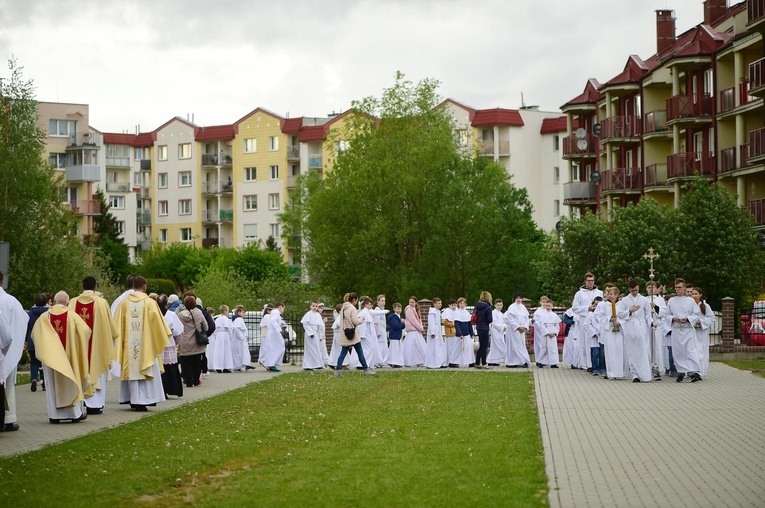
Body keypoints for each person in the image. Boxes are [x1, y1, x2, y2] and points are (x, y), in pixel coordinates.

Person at [31, 291, 92, 423]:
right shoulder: (72, 316)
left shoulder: (44, 317)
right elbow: (86, 332)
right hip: (69, 357)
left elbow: (35, 335)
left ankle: (55, 416)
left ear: (54, 301)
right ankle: (74, 414)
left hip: (50, 358)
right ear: (67, 303)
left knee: (52, 385)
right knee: (72, 379)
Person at [113, 276, 172, 411]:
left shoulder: (124, 303)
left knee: (132, 369)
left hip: (129, 347)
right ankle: (144, 400)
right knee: (145, 368)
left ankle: (133, 399)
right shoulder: (150, 303)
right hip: (146, 348)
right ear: (144, 287)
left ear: (133, 286)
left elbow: (116, 325)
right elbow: (159, 326)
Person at [69, 276, 118, 414]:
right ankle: (95, 405)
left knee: (80, 370)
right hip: (97, 349)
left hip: (78, 348)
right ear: (95, 287)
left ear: (82, 286)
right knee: (96, 370)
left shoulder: (73, 303)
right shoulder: (102, 303)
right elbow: (111, 329)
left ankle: (80, 401)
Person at [0, 270, 30, 431]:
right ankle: (8, 418)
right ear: (2, 282)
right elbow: (23, 320)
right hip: (5, 350)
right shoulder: (11, 301)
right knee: (8, 386)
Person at [661, 279, 702, 383]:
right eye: (676, 287)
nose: (678, 289)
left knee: (690, 351)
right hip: (676, 329)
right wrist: (673, 318)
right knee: (678, 352)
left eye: (680, 287)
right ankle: (681, 372)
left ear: (684, 288)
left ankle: (693, 372)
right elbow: (666, 315)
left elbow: (696, 314)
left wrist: (688, 319)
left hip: (687, 329)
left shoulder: (690, 300)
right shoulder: (671, 301)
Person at [616, 280, 653, 383]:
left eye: (636, 290)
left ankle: (645, 373)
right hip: (630, 326)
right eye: (633, 291)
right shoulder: (625, 300)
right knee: (632, 351)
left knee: (644, 350)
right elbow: (620, 315)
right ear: (629, 289)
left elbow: (648, 315)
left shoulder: (644, 300)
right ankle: (635, 374)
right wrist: (629, 311)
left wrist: (652, 322)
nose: (635, 292)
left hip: (641, 326)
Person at [335, 293, 375, 377]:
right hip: (353, 333)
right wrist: (361, 319)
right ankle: (366, 369)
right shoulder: (352, 308)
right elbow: (355, 321)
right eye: (356, 300)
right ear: (354, 300)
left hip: (345, 333)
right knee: (360, 352)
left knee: (343, 353)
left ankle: (338, 371)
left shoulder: (343, 308)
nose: (357, 302)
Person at [571, 273, 603, 371]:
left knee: (598, 342)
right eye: (588, 280)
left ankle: (597, 365)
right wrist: (587, 308)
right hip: (585, 318)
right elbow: (575, 308)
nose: (590, 282)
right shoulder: (579, 293)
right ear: (585, 281)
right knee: (585, 342)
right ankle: (587, 364)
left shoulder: (600, 293)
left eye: (592, 280)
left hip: (597, 320)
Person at [595, 285, 628, 379]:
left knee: (621, 351)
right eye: (608, 294)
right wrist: (610, 319)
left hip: (620, 331)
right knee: (611, 351)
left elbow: (626, 316)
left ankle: (621, 373)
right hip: (609, 330)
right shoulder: (604, 305)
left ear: (616, 295)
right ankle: (612, 373)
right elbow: (599, 317)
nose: (609, 296)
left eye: (611, 294)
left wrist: (620, 322)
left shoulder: (622, 305)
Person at [177, 295, 209, 387]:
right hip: (196, 342)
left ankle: (188, 381)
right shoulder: (199, 313)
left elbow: (178, 328)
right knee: (197, 362)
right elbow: (205, 327)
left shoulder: (180, 315)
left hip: (184, 342)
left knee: (186, 363)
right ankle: (196, 380)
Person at [157, 294, 183, 398]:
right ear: (167, 303)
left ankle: (160, 391)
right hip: (168, 343)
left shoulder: (153, 314)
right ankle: (170, 389)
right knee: (169, 368)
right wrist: (177, 342)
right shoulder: (171, 315)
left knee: (159, 369)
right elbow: (178, 331)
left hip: (156, 345)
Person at [26, 293, 49, 392]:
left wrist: (26, 340)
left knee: (34, 362)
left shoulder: (30, 314)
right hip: (45, 340)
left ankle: (34, 378)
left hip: (32, 339)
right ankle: (44, 384)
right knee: (45, 362)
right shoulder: (48, 313)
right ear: (46, 302)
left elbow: (27, 327)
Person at [691, 287, 715, 379]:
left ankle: (701, 372)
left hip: (701, 332)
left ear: (700, 295)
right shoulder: (690, 305)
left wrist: (701, 322)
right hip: (692, 332)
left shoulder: (705, 306)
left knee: (702, 351)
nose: (694, 296)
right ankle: (694, 371)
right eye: (693, 294)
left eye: (696, 294)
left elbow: (711, 318)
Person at [504, 292, 531, 368]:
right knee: (515, 345)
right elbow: (510, 319)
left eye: (520, 298)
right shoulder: (511, 307)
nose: (519, 300)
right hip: (515, 330)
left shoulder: (523, 307)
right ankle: (513, 362)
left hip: (522, 330)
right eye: (517, 298)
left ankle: (522, 361)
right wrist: (518, 327)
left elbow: (526, 318)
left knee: (521, 345)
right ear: (515, 299)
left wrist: (525, 327)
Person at [534, 298, 561, 368]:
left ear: (552, 306)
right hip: (546, 333)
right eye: (546, 306)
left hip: (552, 332)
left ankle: (554, 363)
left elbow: (557, 325)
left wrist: (555, 332)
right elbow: (542, 325)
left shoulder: (554, 315)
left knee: (553, 348)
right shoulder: (543, 315)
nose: (548, 307)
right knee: (544, 348)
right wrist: (547, 333)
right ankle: (539, 361)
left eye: (549, 306)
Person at [263, 302, 287, 372]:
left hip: (273, 331)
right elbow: (273, 321)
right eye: (283, 308)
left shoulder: (275, 313)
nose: (283, 310)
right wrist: (279, 329)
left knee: (275, 348)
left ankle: (272, 363)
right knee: (278, 347)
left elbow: (275, 321)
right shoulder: (276, 312)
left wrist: (282, 325)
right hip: (274, 332)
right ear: (280, 307)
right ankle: (272, 364)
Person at [402, 296, 426, 367]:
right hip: (412, 330)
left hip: (416, 330)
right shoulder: (409, 310)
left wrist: (420, 327)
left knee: (419, 346)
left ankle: (420, 360)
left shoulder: (415, 309)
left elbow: (419, 320)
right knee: (411, 346)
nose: (411, 303)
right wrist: (420, 328)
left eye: (412, 302)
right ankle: (409, 361)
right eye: (410, 302)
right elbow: (413, 321)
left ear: (416, 303)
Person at [301, 301, 325, 370]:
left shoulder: (318, 315)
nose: (315, 308)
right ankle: (309, 365)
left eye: (316, 306)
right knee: (311, 349)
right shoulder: (308, 314)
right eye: (313, 306)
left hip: (316, 333)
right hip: (311, 333)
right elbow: (305, 323)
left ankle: (317, 364)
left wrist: (320, 335)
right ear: (310, 306)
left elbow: (320, 326)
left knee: (317, 348)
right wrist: (310, 332)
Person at [209, 305, 234, 373]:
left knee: (218, 351)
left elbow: (215, 328)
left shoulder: (218, 319)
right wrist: (231, 337)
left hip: (218, 335)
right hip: (225, 335)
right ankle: (226, 367)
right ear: (225, 311)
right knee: (226, 351)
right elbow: (230, 328)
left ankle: (218, 367)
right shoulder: (226, 319)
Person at [473, 291, 493, 369]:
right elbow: (490, 319)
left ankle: (477, 362)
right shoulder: (488, 307)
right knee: (484, 346)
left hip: (479, 327)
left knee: (481, 345)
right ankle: (484, 362)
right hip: (485, 327)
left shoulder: (477, 306)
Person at [585, 296, 604, 376]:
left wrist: (601, 333)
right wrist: (594, 333)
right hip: (594, 337)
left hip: (602, 336)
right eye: (595, 305)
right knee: (595, 353)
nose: (597, 307)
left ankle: (602, 368)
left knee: (602, 353)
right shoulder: (590, 314)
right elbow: (587, 325)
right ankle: (595, 368)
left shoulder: (603, 314)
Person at [425, 298, 447, 369]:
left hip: (438, 331)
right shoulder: (432, 312)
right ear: (434, 304)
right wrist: (432, 332)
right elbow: (431, 323)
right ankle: (432, 363)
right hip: (434, 331)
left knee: (439, 346)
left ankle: (439, 362)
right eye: (438, 303)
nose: (440, 305)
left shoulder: (438, 311)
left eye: (440, 303)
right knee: (433, 347)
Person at [329, 303, 352, 369]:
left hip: (338, 334)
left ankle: (332, 362)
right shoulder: (340, 317)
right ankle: (343, 364)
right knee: (341, 349)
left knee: (336, 349)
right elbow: (338, 325)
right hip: (339, 335)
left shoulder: (341, 317)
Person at [454, 298, 475, 368]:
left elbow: (469, 324)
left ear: (465, 304)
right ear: (458, 304)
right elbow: (457, 324)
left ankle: (470, 361)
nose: (462, 305)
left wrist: (472, 333)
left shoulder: (466, 313)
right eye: (461, 303)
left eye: (463, 303)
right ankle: (454, 362)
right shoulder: (456, 313)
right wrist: (460, 333)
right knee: (458, 349)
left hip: (467, 334)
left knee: (469, 348)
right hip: (460, 335)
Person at [231, 305, 252, 371]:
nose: (244, 314)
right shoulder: (238, 319)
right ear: (239, 312)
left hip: (240, 340)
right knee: (240, 353)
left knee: (240, 353)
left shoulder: (238, 319)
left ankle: (242, 365)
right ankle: (239, 366)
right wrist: (242, 337)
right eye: (243, 312)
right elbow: (237, 329)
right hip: (240, 340)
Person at [487, 299, 506, 366]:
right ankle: (491, 360)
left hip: (500, 332)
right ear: (495, 305)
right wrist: (501, 327)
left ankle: (494, 360)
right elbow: (494, 322)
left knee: (499, 344)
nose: (499, 306)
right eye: (498, 305)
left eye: (501, 305)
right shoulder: (493, 313)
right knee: (496, 345)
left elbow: (504, 322)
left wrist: (504, 326)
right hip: (495, 331)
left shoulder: (502, 314)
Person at [386, 302, 406, 368]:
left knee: (398, 349)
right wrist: (402, 323)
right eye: (397, 309)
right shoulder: (394, 317)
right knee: (394, 349)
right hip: (394, 335)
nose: (399, 310)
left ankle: (397, 361)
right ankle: (394, 362)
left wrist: (402, 323)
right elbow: (396, 325)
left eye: (400, 309)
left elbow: (401, 326)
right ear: (394, 309)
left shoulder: (400, 317)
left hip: (398, 335)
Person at [441, 299, 460, 368]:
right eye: (452, 305)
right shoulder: (446, 312)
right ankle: (450, 361)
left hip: (456, 332)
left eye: (455, 305)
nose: (453, 306)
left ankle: (455, 361)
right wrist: (453, 324)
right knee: (450, 347)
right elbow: (445, 322)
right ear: (449, 305)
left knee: (455, 347)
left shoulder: (457, 311)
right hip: (450, 332)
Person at [372, 295, 389, 368]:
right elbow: (377, 321)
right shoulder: (377, 309)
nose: (383, 302)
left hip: (383, 330)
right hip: (380, 331)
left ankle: (382, 361)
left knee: (384, 346)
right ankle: (377, 361)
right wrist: (378, 332)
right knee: (380, 346)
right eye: (382, 301)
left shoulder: (381, 309)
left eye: (384, 301)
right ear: (378, 301)